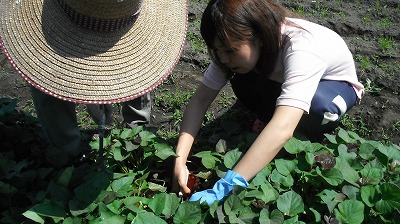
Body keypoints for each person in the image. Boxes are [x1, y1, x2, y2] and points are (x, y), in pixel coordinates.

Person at [173, 0, 364, 205]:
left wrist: (225, 187)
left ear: (258, 36)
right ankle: (271, 117)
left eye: (228, 51)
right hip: (281, 80)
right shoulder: (230, 49)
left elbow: (283, 128)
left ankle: (304, 132)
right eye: (216, 50)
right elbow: (201, 100)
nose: (223, 58)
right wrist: (180, 159)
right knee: (242, 79)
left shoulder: (301, 47)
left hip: (333, 87)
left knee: (318, 108)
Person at [0, 0, 188, 167]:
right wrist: (91, 89)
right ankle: (67, 153)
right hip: (62, 11)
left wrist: (97, 88)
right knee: (46, 69)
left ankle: (136, 135)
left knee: (138, 65)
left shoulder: (123, 11)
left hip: (122, 14)